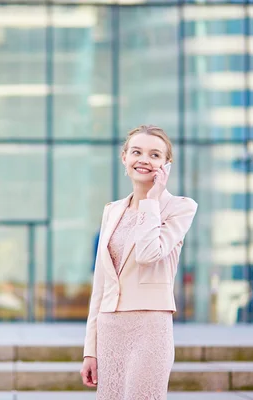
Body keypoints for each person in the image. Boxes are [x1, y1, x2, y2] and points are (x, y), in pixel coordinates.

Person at [80, 125, 198, 399]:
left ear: (166, 165)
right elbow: (101, 283)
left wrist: (152, 201)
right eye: (136, 152)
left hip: (150, 325)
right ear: (124, 158)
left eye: (154, 155)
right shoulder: (112, 211)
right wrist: (90, 349)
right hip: (110, 327)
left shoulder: (180, 207)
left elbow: (148, 253)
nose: (144, 159)